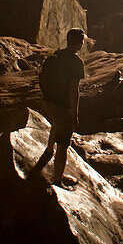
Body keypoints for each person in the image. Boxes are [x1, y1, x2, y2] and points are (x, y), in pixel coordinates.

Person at [32, 28, 85, 186]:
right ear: (80, 43)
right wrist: (74, 113)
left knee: (56, 122)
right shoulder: (76, 63)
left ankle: (48, 150)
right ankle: (57, 180)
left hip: (48, 102)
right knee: (63, 144)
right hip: (63, 105)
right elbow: (74, 91)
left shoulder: (54, 56)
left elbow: (43, 77)